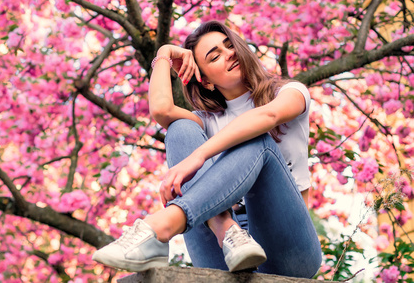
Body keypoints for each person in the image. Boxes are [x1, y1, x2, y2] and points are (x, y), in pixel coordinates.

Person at [92, 21, 322, 278]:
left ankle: (162, 226)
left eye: (229, 46)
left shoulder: (290, 92)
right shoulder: (208, 121)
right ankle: (227, 230)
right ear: (207, 81)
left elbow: (268, 116)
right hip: (224, 248)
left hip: (289, 247)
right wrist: (164, 54)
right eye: (214, 57)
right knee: (179, 128)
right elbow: (162, 110)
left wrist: (198, 156)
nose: (229, 54)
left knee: (258, 140)